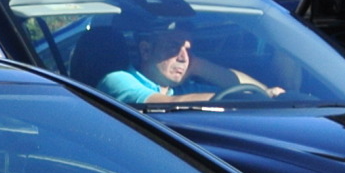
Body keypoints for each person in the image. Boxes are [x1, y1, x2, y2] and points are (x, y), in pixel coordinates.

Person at [97, 21, 281, 108]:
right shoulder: (118, 80)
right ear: (146, 51)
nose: (183, 57)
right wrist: (238, 100)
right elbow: (166, 105)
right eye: (174, 47)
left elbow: (256, 91)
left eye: (188, 49)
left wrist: (199, 65)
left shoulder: (186, 88)